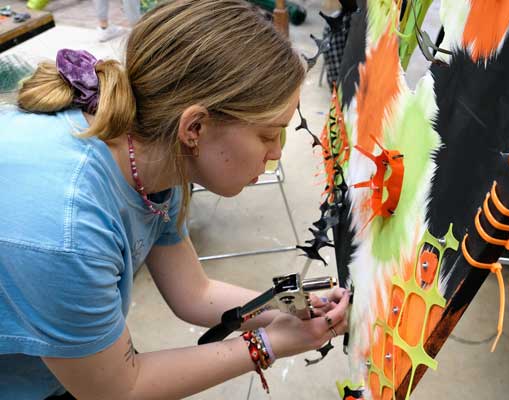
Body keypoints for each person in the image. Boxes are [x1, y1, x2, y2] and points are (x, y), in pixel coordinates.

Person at [0, 0, 350, 398]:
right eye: (269, 135)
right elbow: (118, 389)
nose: (276, 154)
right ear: (196, 126)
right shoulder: (68, 227)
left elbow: (193, 293)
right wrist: (269, 344)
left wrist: (296, 304)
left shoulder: (154, 153)